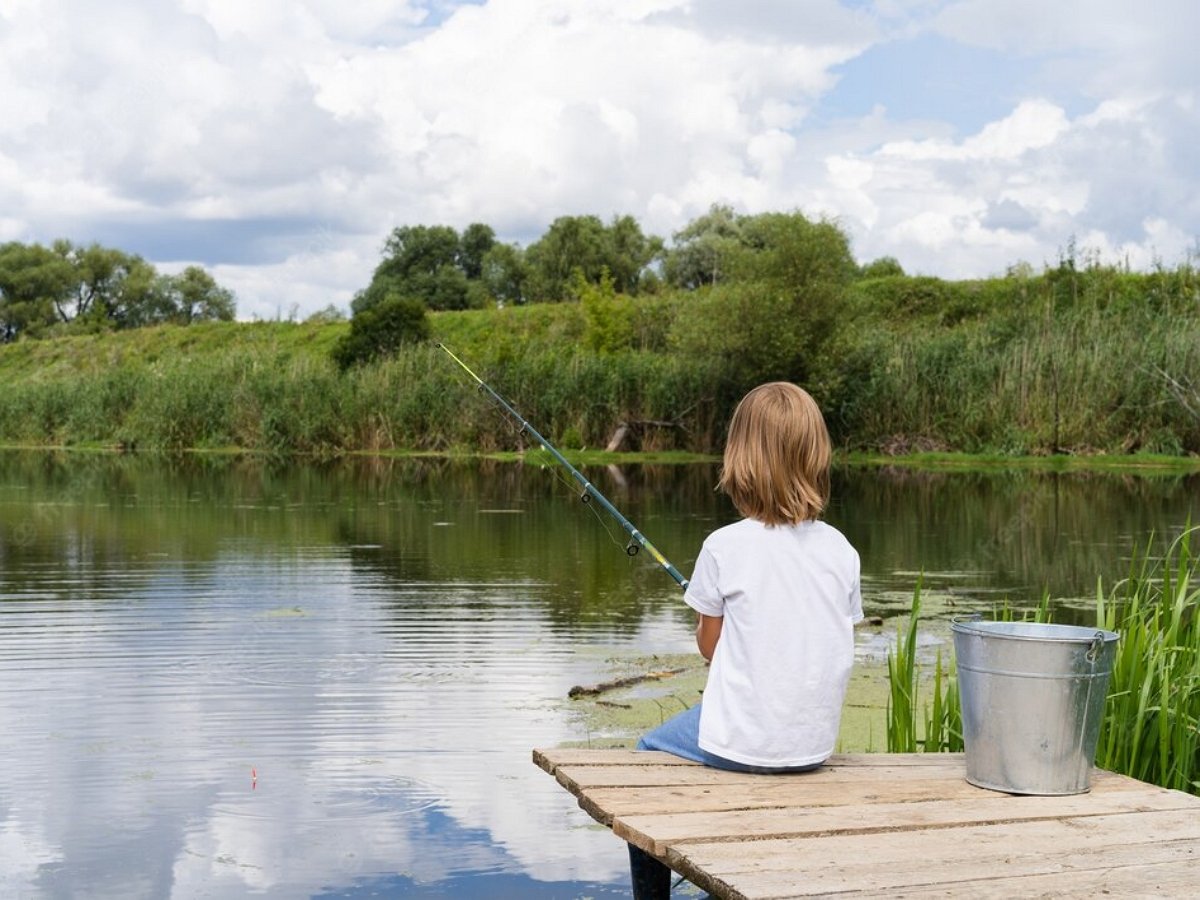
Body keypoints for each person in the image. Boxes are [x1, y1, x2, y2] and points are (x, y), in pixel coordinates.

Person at [628, 382, 863, 900]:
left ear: (739, 458)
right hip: (811, 747)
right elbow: (825, 642)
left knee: (645, 753)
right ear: (816, 456)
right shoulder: (842, 549)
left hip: (746, 744)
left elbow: (709, 649)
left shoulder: (723, 546)